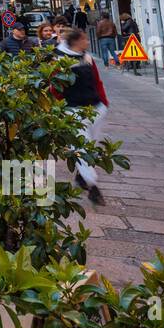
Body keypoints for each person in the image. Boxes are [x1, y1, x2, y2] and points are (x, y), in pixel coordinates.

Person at [55, 28, 109, 204]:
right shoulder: (60, 60)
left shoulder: (87, 57)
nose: (87, 41)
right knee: (82, 148)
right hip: (73, 110)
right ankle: (93, 187)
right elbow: (55, 88)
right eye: (84, 39)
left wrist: (103, 102)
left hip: (95, 108)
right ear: (76, 41)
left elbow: (97, 80)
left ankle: (81, 176)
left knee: (91, 145)